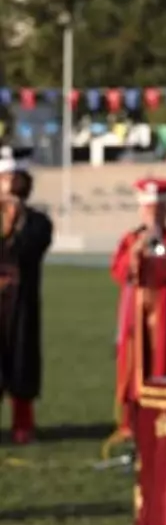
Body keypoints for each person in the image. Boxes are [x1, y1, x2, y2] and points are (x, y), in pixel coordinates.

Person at [109, 178, 166, 438]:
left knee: (164, 363)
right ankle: (130, 420)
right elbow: (119, 272)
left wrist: (159, 246)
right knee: (133, 364)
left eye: (158, 210)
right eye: (148, 209)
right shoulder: (129, 238)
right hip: (135, 316)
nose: (152, 215)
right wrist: (134, 253)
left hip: (164, 315)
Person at [0, 148, 52, 444]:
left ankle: (23, 422)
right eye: (5, 178)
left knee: (22, 360)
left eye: (15, 178)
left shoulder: (38, 221)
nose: (10, 185)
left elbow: (32, 249)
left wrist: (16, 223)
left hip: (21, 302)